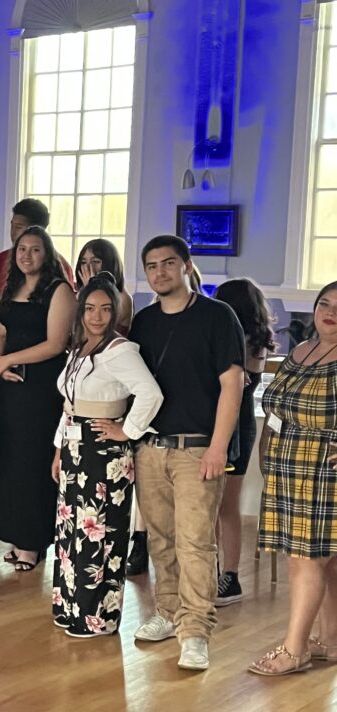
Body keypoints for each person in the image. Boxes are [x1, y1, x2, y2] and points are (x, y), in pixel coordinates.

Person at [128, 234, 244, 671]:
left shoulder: (217, 316)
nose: (160, 272)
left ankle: (195, 631)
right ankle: (168, 610)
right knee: (161, 539)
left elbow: (232, 385)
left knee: (196, 543)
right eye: (152, 266)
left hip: (197, 448)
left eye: (168, 263)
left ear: (186, 266)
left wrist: (218, 447)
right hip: (151, 447)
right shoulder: (143, 322)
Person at [50, 274, 163, 637]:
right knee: (71, 529)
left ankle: (96, 616)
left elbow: (151, 393)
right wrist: (58, 449)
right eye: (90, 308)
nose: (96, 316)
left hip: (103, 451)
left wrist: (126, 430)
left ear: (114, 311)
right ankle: (70, 606)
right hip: (74, 447)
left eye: (104, 309)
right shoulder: (80, 349)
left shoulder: (120, 350)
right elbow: (69, 405)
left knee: (97, 531)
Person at [248, 282, 337, 675]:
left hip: (324, 471)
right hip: (287, 465)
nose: (330, 312)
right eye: (325, 303)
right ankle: (330, 640)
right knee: (327, 562)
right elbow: (275, 409)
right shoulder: (302, 350)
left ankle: (294, 649)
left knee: (307, 559)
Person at [0, 226, 75, 568]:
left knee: (32, 461)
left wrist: (8, 360)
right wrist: (0, 362)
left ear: (46, 254)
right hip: (8, 384)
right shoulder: (13, 286)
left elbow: (56, 344)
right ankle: (15, 533)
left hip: (40, 388)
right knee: (8, 460)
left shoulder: (59, 289)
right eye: (22, 249)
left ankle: (33, 541)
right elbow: (1, 332)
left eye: (35, 249)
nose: (27, 255)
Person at [213, 278, 276, 606]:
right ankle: (222, 572)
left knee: (222, 505)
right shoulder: (258, 340)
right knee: (224, 506)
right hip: (242, 423)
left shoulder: (244, 342)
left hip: (233, 424)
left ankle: (227, 574)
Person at [0, 198, 75, 365]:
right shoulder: (0, 263)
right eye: (12, 225)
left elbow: (59, 337)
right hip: (1, 361)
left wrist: (7, 360)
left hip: (41, 364)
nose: (13, 232)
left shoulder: (60, 270)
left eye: (19, 227)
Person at [74, 239, 133, 335]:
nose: (88, 267)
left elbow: (89, 327)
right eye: (84, 262)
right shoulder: (79, 291)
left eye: (96, 261)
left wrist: (90, 288)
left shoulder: (123, 298)